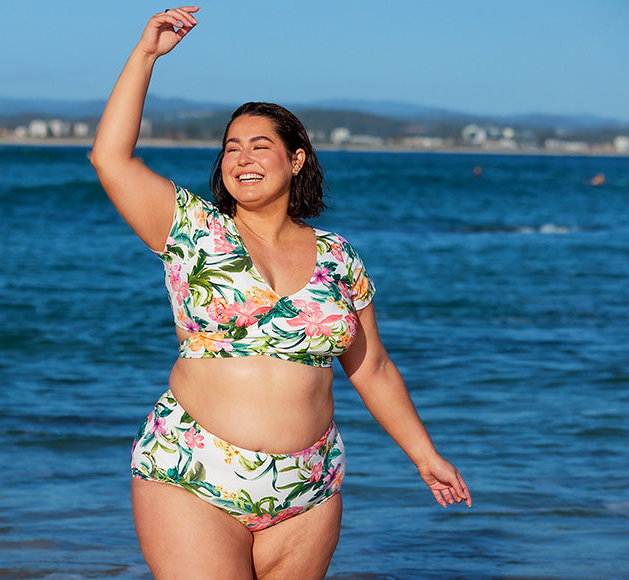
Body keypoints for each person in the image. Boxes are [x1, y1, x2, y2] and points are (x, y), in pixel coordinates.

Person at [90, 7, 471, 579]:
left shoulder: (338, 256)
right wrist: (146, 55)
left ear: (296, 160)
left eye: (259, 145)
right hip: (194, 469)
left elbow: (372, 367)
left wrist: (425, 455)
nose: (242, 158)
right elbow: (110, 158)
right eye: (232, 146)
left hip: (309, 485)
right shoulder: (191, 228)